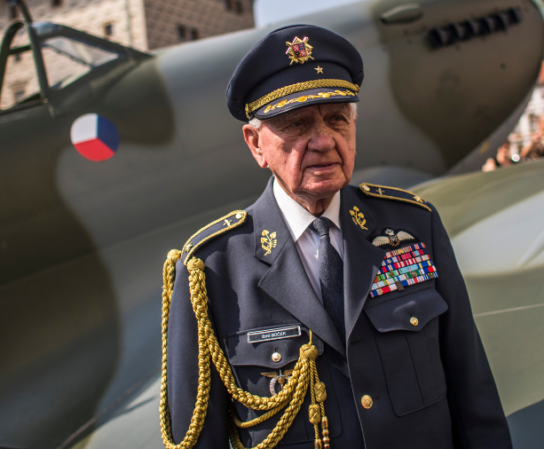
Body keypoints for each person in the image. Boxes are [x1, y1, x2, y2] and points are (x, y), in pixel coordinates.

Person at [162, 25, 512, 449]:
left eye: (337, 119)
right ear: (256, 144)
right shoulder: (211, 270)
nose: (325, 141)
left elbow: (473, 393)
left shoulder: (413, 227)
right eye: (297, 124)